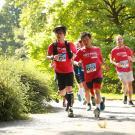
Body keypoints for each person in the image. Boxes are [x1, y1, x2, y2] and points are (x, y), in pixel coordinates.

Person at [47, 25, 77, 117]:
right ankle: (68, 100)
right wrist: (53, 57)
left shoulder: (69, 44)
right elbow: (47, 56)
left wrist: (73, 59)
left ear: (64, 34)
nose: (58, 35)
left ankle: (71, 108)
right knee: (62, 92)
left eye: (60, 33)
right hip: (59, 72)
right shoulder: (53, 45)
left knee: (69, 89)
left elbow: (76, 53)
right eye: (57, 33)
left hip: (69, 71)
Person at [74, 32, 105, 118]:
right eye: (84, 41)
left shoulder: (97, 49)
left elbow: (101, 59)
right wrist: (77, 63)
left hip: (97, 74)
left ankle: (97, 109)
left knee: (97, 91)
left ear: (90, 39)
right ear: (82, 42)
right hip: (88, 76)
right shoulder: (81, 51)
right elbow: (74, 60)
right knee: (92, 93)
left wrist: (104, 65)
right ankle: (101, 101)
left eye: (87, 40)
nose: (86, 42)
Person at [110, 35, 134, 105]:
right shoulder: (114, 50)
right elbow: (111, 60)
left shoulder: (127, 49)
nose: (119, 41)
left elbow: (133, 58)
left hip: (128, 69)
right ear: (116, 41)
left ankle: (129, 100)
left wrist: (132, 59)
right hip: (120, 70)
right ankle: (125, 96)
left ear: (123, 40)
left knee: (130, 84)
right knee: (125, 83)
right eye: (118, 40)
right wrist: (116, 64)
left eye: (121, 39)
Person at [74, 39, 96, 111]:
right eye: (79, 44)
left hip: (90, 71)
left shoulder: (91, 50)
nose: (81, 45)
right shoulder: (79, 52)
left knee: (92, 87)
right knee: (86, 88)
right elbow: (74, 61)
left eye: (82, 43)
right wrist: (77, 63)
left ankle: (93, 97)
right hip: (82, 71)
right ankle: (88, 104)